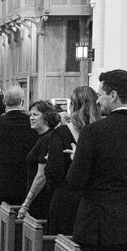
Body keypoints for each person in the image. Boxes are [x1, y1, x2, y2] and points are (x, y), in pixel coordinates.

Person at [67, 69, 127, 251]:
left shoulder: (93, 131)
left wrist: (77, 159)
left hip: (98, 225)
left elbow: (75, 180)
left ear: (113, 95)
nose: (98, 100)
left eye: (100, 94)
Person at [45, 86, 99, 236]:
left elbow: (53, 171)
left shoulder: (61, 133)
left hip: (66, 197)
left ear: (72, 106)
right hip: (93, 200)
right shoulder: (101, 131)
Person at [0, 87, 36, 205]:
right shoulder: (31, 123)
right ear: (22, 102)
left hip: (0, 182)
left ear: (4, 103)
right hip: (25, 182)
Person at [19, 100, 60, 220]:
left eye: (35, 115)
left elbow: (41, 176)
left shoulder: (48, 138)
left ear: (47, 117)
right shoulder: (42, 137)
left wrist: (26, 204)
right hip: (36, 198)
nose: (31, 118)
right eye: (30, 115)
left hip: (42, 200)